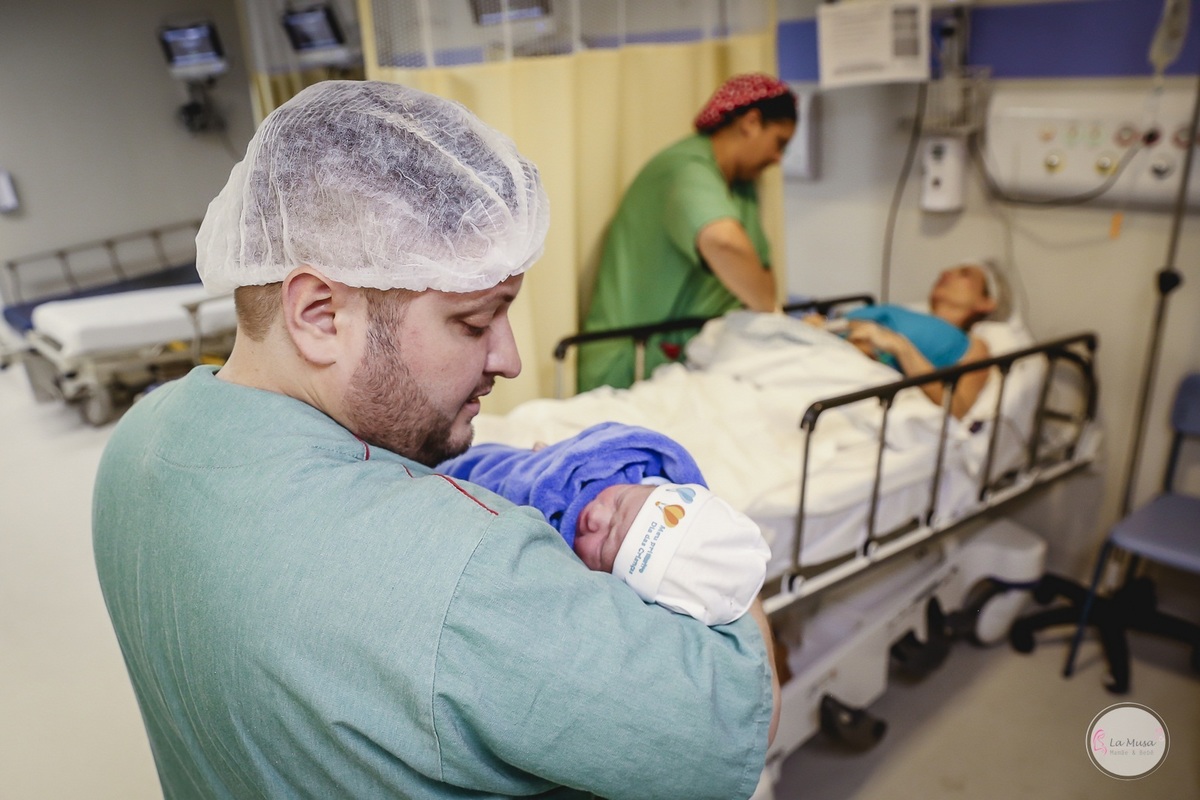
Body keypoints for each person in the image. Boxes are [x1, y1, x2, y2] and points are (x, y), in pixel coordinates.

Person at [92, 81, 779, 800]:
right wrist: (703, 534)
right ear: (321, 314)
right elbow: (735, 724)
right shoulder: (468, 572)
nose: (509, 359)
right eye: (474, 321)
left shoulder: (139, 442)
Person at [577, 73, 798, 393]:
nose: (778, 159)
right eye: (779, 143)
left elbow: (762, 270)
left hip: (693, 359)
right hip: (632, 363)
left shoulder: (741, 187)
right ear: (751, 123)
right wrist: (773, 318)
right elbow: (725, 244)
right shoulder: (685, 170)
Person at [437, 421, 771, 625]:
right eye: (620, 502)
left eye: (605, 545)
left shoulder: (565, 564)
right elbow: (587, 450)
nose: (596, 517)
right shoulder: (632, 467)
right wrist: (556, 461)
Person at [806, 261, 1003, 417]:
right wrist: (819, 327)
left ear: (986, 303)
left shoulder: (972, 344)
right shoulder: (900, 311)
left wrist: (900, 347)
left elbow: (957, 407)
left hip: (844, 370)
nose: (946, 272)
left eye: (964, 273)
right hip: (818, 348)